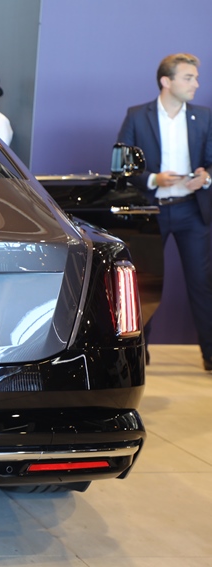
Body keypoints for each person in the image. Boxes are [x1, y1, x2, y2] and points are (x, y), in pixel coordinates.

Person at [117, 53, 212, 372]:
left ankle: (210, 354)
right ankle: (137, 355)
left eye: (196, 77)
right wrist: (153, 179)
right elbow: (121, 166)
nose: (196, 84)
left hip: (191, 211)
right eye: (189, 77)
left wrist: (206, 177)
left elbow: (211, 163)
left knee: (202, 283)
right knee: (144, 286)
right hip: (150, 212)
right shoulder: (137, 116)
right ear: (166, 81)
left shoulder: (204, 117)